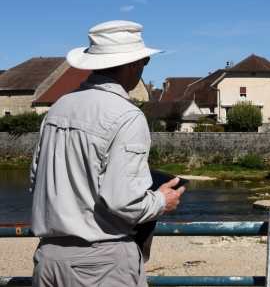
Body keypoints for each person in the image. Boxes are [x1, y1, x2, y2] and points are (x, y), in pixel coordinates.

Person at [29, 20, 185, 287]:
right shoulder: (126, 115)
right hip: (100, 265)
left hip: (48, 260)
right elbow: (123, 202)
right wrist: (162, 201)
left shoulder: (57, 108)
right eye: (145, 61)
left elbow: (36, 181)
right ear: (131, 64)